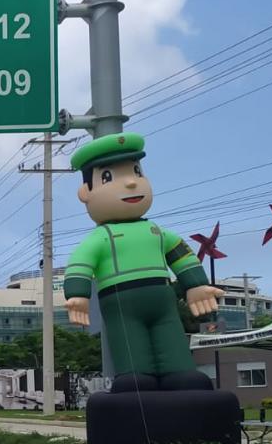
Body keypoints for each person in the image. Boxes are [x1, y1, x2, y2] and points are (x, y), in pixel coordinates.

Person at [62, 133, 222, 392]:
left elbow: (181, 254)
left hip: (163, 298)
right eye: (108, 177)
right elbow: (80, 262)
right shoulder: (101, 237)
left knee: (171, 335)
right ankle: (135, 378)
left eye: (137, 171)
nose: (130, 183)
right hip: (121, 301)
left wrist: (196, 285)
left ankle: (181, 374)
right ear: (85, 192)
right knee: (129, 341)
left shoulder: (157, 231)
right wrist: (78, 294)